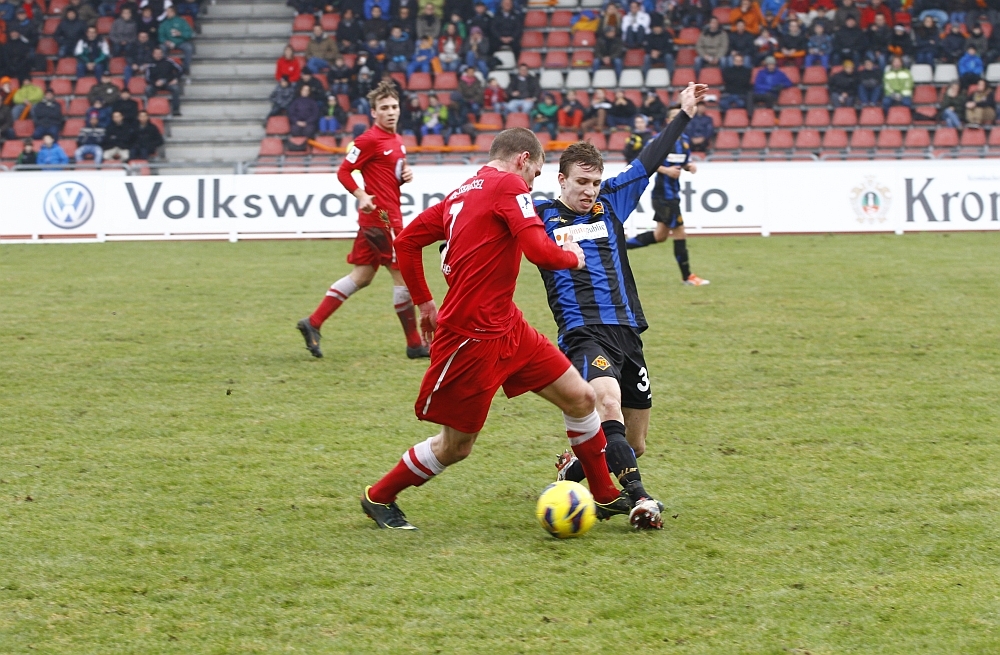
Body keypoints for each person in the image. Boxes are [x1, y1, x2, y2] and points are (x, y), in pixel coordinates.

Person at [359, 127, 635, 531]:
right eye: (535, 174)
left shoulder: (461, 192)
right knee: (456, 446)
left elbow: (407, 242)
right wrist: (572, 258)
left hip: (508, 325)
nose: (532, 185)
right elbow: (538, 250)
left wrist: (425, 303)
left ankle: (605, 493)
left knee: (581, 398)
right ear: (523, 159)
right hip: (471, 336)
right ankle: (379, 496)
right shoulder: (508, 184)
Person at [535, 86, 708, 533]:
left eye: (594, 183)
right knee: (607, 402)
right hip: (583, 332)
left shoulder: (611, 201)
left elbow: (649, 160)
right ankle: (640, 498)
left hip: (627, 332)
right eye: (581, 183)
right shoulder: (539, 215)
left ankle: (573, 470)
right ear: (561, 180)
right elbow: (489, 216)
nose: (589, 191)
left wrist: (683, 116)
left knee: (635, 442)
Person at [296, 81, 427, 361]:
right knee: (402, 276)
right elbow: (344, 172)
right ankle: (415, 344)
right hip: (383, 218)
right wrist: (361, 194)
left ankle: (313, 322)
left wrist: (402, 178)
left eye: (394, 107)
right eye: (384, 108)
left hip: (381, 217)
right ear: (373, 112)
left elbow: (386, 177)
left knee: (363, 276)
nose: (390, 112)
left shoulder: (397, 140)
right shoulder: (368, 140)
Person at [627, 104, 710, 287]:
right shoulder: (659, 141)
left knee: (660, 235)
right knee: (680, 231)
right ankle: (687, 277)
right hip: (663, 195)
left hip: (673, 193)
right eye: (675, 117)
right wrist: (666, 171)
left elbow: (683, 162)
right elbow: (644, 162)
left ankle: (619, 246)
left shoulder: (684, 141)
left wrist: (689, 166)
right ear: (668, 121)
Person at [146, 47, 183, 115]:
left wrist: (176, 79)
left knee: (176, 88)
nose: (158, 55)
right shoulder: (150, 64)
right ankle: (152, 109)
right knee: (148, 89)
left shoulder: (169, 61)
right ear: (153, 54)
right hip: (156, 84)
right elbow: (148, 78)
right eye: (156, 53)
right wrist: (155, 83)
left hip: (168, 83)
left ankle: (175, 110)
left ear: (162, 54)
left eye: (160, 53)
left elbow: (180, 69)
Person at [158, 6, 193, 74]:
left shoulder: (181, 21)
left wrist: (180, 34)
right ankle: (165, 67)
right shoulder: (164, 23)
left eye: (168, 11)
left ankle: (185, 68)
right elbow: (160, 36)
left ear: (173, 12)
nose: (167, 13)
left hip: (181, 42)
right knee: (161, 47)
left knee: (189, 47)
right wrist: (165, 41)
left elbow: (189, 33)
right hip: (168, 43)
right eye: (166, 11)